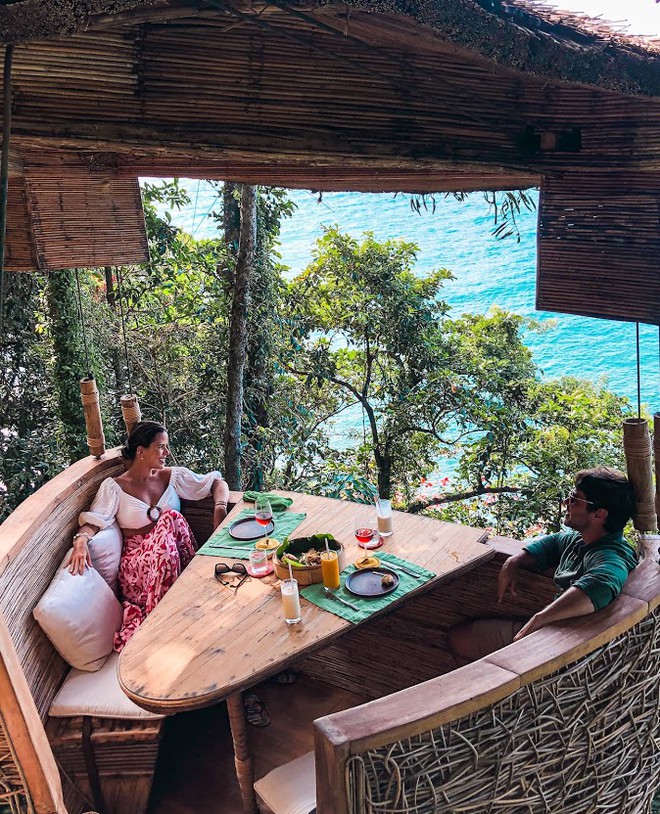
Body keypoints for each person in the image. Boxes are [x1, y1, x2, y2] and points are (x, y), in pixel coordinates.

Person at [448, 466, 637, 665]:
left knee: (460, 642)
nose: (566, 502)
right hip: (551, 633)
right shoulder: (582, 541)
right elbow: (555, 542)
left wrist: (541, 618)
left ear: (598, 514)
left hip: (562, 648)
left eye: (574, 499)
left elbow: (601, 584)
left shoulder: (611, 555)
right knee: (459, 638)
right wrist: (515, 560)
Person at [70, 420, 229, 651]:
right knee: (168, 518)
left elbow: (217, 483)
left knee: (170, 520)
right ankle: (168, 616)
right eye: (161, 447)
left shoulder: (171, 477)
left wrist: (220, 507)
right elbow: (93, 521)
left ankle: (184, 599)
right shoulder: (114, 487)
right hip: (138, 566)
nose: (167, 453)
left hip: (174, 559)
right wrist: (81, 541)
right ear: (141, 451)